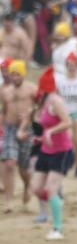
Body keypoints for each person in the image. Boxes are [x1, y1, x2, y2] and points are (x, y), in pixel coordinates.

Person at [30, 68, 73, 240]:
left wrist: (50, 131)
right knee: (36, 188)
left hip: (62, 151)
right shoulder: (44, 101)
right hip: (46, 150)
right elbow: (45, 125)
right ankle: (57, 202)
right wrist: (40, 137)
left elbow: (67, 122)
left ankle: (57, 228)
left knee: (51, 188)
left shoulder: (56, 101)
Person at [1, 59, 37, 213]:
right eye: (12, 74)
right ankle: (9, 202)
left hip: (27, 129)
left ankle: (27, 185)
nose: (14, 77)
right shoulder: (5, 91)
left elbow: (40, 107)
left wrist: (31, 116)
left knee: (24, 167)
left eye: (17, 74)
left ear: (23, 74)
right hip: (10, 129)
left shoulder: (32, 89)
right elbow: (3, 111)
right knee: (9, 163)